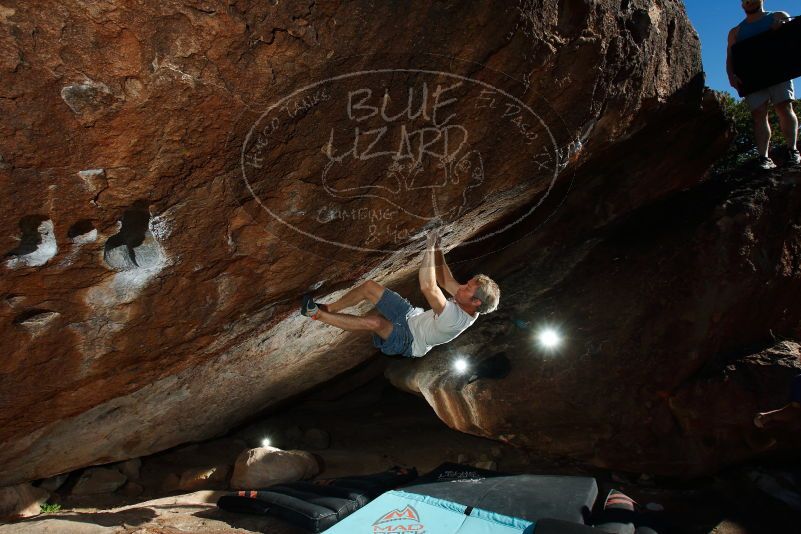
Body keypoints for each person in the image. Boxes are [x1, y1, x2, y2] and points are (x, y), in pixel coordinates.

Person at [300, 230, 500, 358]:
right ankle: (329, 307)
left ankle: (316, 314)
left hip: (410, 341)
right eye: (467, 283)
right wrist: (438, 248)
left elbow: (428, 287)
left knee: (375, 322)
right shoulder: (466, 299)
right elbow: (445, 279)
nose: (462, 286)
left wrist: (429, 248)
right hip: (411, 317)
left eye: (467, 288)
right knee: (370, 287)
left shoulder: (455, 320)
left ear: (474, 302)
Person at [726, 0, 800, 169]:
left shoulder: (778, 16)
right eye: (745, 0)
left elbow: (793, 40)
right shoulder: (736, 32)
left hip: (779, 72)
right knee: (759, 115)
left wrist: (782, 29)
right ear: (742, 4)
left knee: (784, 108)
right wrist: (731, 75)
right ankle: (763, 158)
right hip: (752, 78)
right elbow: (731, 55)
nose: (749, 2)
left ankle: (792, 150)